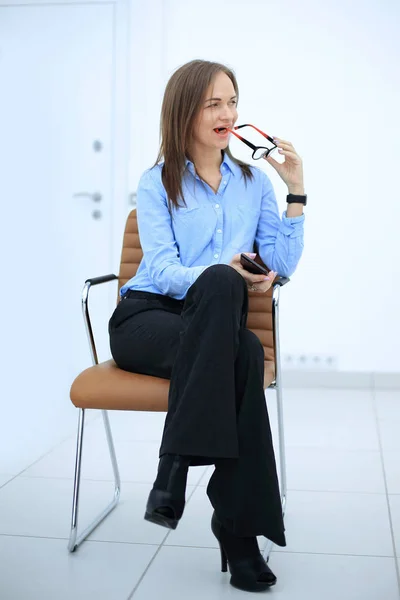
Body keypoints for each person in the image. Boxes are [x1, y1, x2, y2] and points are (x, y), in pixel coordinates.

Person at [108, 59, 305, 593]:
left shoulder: (254, 183)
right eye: (213, 103)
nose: (227, 113)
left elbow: (281, 265)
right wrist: (223, 275)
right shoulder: (158, 183)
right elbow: (165, 270)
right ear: (184, 112)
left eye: (233, 101)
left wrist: (295, 191)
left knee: (235, 343)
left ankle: (173, 469)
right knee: (221, 291)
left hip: (214, 330)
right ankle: (237, 535)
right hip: (149, 320)